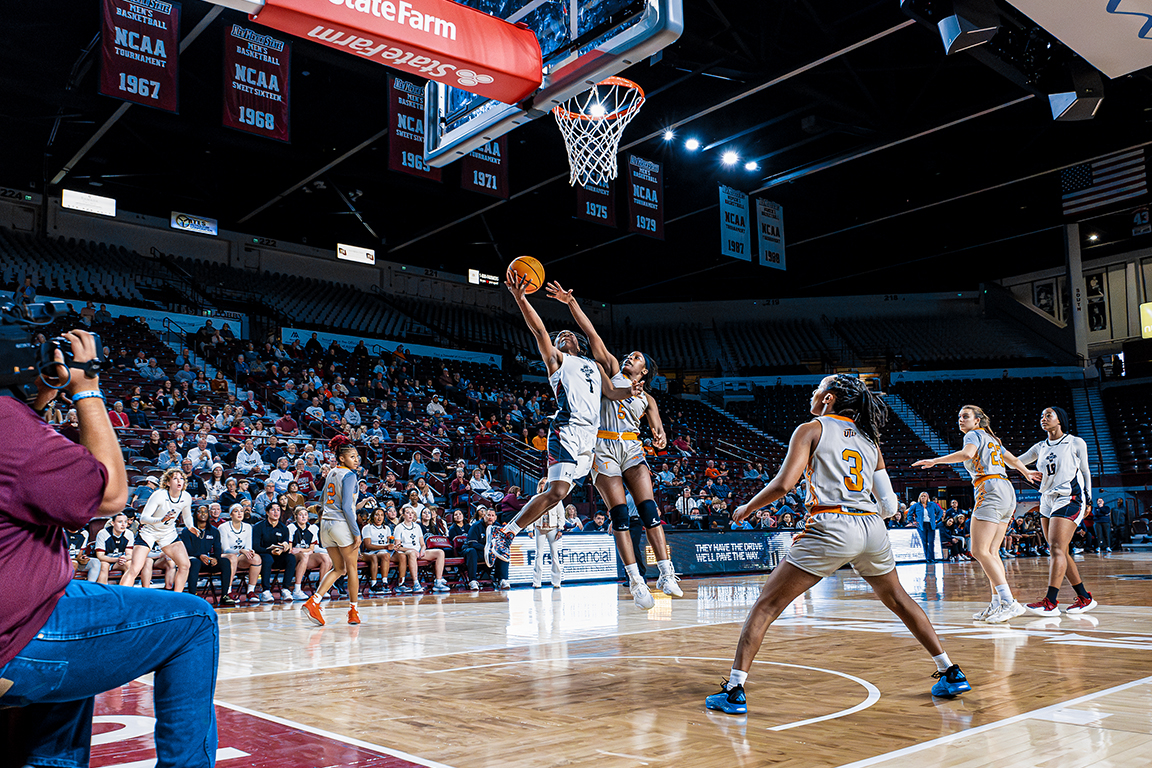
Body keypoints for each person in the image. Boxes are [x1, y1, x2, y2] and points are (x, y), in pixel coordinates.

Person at [0, 327, 218, 768]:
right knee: (195, 620)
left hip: (25, 609)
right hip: (16, 638)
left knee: (86, 619)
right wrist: (87, 388)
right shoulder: (8, 424)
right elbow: (112, 494)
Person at [705, 375, 971, 715]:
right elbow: (889, 506)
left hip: (831, 525)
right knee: (900, 600)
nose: (812, 393)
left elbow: (785, 484)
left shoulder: (811, 429)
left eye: (817, 388)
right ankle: (950, 671)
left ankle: (734, 690)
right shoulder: (869, 441)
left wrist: (747, 507)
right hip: (872, 527)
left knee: (766, 607)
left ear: (828, 399)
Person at [486, 266, 640, 566]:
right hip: (566, 430)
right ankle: (506, 532)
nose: (563, 336)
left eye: (568, 334)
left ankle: (506, 531)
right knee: (555, 490)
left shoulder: (594, 366)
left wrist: (631, 391)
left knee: (559, 495)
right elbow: (539, 330)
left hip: (589, 439)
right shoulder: (557, 361)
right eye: (560, 337)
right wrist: (520, 299)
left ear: (578, 343)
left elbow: (610, 393)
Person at [546, 279, 681, 609]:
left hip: (632, 448)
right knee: (619, 515)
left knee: (650, 510)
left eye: (635, 357)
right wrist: (570, 302)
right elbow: (591, 334)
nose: (628, 357)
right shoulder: (608, 370)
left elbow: (658, 431)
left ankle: (666, 572)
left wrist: (660, 436)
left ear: (644, 371)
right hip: (603, 449)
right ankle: (636, 581)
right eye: (629, 355)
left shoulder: (648, 398)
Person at [913, 405, 1037, 623]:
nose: (961, 420)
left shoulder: (973, 435)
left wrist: (935, 461)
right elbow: (1014, 460)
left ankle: (1009, 602)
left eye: (965, 416)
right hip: (1006, 489)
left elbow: (967, 454)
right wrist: (1026, 472)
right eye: (959, 417)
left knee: (978, 550)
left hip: (989, 487)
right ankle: (997, 604)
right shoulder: (993, 440)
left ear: (977, 420)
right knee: (992, 551)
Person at [1016, 406, 1096, 616]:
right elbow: (1017, 461)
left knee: (1058, 548)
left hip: (1069, 497)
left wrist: (1089, 499)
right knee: (1058, 550)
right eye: (1041, 415)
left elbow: (1086, 471)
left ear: (1060, 419)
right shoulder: (1040, 446)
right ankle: (1084, 598)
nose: (1043, 419)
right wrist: (994, 453)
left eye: (1048, 415)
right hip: (1047, 499)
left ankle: (1050, 601)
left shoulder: (1075, 442)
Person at [301, 436, 364, 626]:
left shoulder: (330, 473)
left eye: (357, 456)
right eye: (352, 456)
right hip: (340, 524)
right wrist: (356, 532)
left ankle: (314, 601)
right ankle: (353, 611)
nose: (356, 460)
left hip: (326, 525)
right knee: (352, 568)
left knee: (339, 568)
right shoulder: (350, 475)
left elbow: (321, 502)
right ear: (342, 458)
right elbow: (346, 506)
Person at [119, 467, 196, 593]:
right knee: (135, 568)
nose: (179, 481)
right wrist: (161, 519)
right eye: (175, 478)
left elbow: (187, 515)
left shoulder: (186, 497)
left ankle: (177, 599)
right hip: (149, 532)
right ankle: (120, 598)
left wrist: (190, 526)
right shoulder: (159, 495)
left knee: (185, 565)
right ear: (167, 482)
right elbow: (143, 519)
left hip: (167, 533)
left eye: (181, 478)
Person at [182, 504, 236, 606]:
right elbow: (187, 549)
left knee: (225, 562)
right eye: (200, 512)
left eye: (205, 512)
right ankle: (192, 595)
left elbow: (217, 548)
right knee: (195, 562)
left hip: (207, 560)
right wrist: (200, 555)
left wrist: (216, 558)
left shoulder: (214, 531)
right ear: (195, 514)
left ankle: (225, 595)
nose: (203, 514)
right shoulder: (187, 531)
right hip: (193, 559)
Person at [393, 505, 450, 592]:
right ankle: (416, 583)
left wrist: (422, 550)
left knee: (440, 552)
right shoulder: (399, 527)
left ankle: (438, 582)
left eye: (412, 513)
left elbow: (423, 544)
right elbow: (398, 547)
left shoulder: (417, 526)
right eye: (407, 513)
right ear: (403, 515)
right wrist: (412, 550)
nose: (410, 515)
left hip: (418, 551)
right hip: (407, 551)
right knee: (412, 553)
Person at [220, 503, 262, 602]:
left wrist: (249, 551)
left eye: (241, 511)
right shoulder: (223, 527)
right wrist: (239, 551)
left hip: (241, 557)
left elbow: (248, 546)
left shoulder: (248, 527)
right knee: (233, 558)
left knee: (256, 558)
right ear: (230, 515)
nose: (239, 513)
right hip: (226, 557)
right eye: (236, 511)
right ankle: (228, 591)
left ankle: (250, 592)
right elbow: (225, 549)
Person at [252, 503, 294, 602]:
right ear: (267, 512)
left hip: (278, 555)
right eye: (273, 510)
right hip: (263, 555)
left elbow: (286, 545)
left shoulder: (284, 528)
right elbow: (255, 547)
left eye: (278, 510)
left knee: (291, 558)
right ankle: (266, 590)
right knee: (267, 558)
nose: (276, 512)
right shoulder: (259, 527)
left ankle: (286, 589)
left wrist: (285, 547)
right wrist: (270, 551)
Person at [530, 477, 564, 589]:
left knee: (555, 555)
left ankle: (556, 581)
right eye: (542, 484)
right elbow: (530, 514)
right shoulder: (535, 498)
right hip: (539, 528)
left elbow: (561, 514)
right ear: (539, 485)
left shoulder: (556, 499)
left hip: (552, 528)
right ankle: (537, 582)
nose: (544, 485)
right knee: (538, 555)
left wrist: (560, 528)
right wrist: (530, 528)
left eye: (546, 483)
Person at [464, 506, 510, 591]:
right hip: (478, 551)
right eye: (488, 515)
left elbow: (501, 543)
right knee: (471, 551)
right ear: (484, 516)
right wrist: (487, 548)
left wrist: (493, 549)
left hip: (490, 552)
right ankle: (473, 581)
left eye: (493, 516)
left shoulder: (498, 527)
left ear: (495, 518)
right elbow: (472, 543)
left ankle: (503, 580)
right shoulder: (476, 526)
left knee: (503, 552)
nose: (490, 518)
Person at [362, 506, 398, 594]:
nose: (379, 517)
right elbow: (368, 545)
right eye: (377, 515)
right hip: (372, 552)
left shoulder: (387, 528)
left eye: (381, 515)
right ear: (372, 517)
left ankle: (401, 583)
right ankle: (383, 582)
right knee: (384, 555)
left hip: (385, 551)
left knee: (402, 556)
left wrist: (394, 546)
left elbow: (390, 542)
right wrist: (385, 547)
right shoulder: (368, 528)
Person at [907, 492, 943, 563]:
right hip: (921, 525)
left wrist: (936, 519)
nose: (923, 497)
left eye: (924, 496)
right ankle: (927, 558)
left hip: (931, 525)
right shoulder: (916, 505)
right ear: (919, 498)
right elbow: (909, 514)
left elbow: (940, 511)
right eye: (922, 496)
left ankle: (932, 558)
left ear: (927, 497)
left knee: (931, 542)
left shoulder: (932, 504)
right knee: (924, 542)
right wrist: (912, 521)